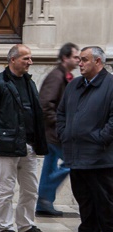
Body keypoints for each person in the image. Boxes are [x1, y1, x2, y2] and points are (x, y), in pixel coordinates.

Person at [0, 44, 50, 232]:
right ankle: (6, 227)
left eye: (30, 58)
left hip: (29, 144)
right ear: (13, 60)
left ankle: (26, 225)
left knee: (30, 187)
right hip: (7, 145)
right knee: (6, 187)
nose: (30, 62)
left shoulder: (29, 83)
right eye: (26, 58)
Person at [57, 46, 113, 232]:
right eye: (79, 59)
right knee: (84, 198)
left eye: (84, 60)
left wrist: (100, 139)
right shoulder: (74, 86)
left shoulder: (110, 85)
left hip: (100, 156)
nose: (79, 63)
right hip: (75, 153)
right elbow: (61, 113)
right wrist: (64, 133)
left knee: (104, 199)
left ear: (98, 62)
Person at [36, 43, 79, 217]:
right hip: (53, 133)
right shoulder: (56, 77)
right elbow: (45, 104)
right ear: (65, 58)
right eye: (75, 57)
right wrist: (60, 124)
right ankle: (45, 195)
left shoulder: (65, 76)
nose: (78, 60)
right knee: (73, 162)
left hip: (53, 132)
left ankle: (44, 203)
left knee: (49, 166)